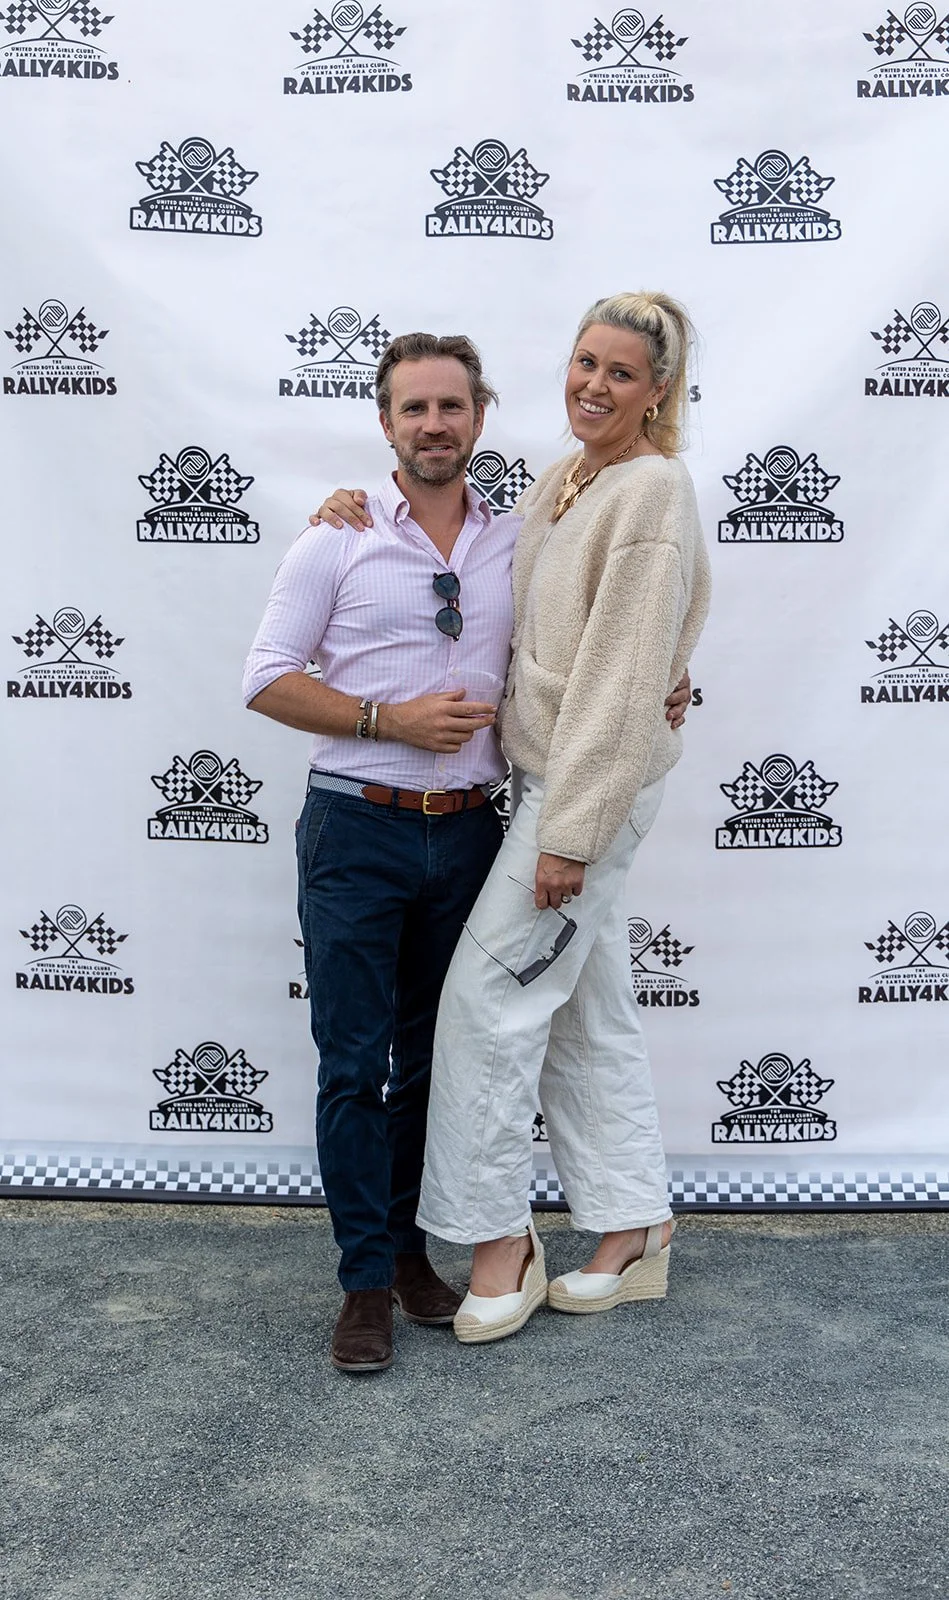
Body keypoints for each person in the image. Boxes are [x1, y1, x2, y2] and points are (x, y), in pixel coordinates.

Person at [248, 326, 692, 1375]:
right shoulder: (337, 537)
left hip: (475, 829)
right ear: (386, 422)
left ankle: (416, 1256)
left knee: (445, 1048)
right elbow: (266, 677)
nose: (434, 424)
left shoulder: (525, 522)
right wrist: (385, 720)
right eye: (414, 408)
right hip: (355, 825)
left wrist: (668, 680)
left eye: (452, 406)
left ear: (480, 417)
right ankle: (365, 1281)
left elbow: (610, 629)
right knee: (356, 1065)